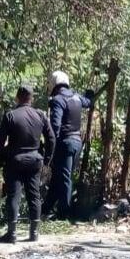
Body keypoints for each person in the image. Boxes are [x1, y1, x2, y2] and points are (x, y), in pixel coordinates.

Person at [0, 85, 55, 243]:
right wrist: (47, 160)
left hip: (14, 161)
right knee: (34, 195)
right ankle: (34, 233)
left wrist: (1, 159)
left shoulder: (10, 116)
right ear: (31, 98)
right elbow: (51, 138)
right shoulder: (40, 115)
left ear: (17, 98)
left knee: (14, 196)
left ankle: (12, 233)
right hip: (35, 161)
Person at [43, 71, 93, 220]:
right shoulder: (76, 97)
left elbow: (55, 126)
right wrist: (90, 94)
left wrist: (50, 146)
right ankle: (45, 209)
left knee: (64, 178)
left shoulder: (58, 100)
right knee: (59, 177)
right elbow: (88, 102)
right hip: (77, 143)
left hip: (65, 143)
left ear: (53, 84)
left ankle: (64, 214)